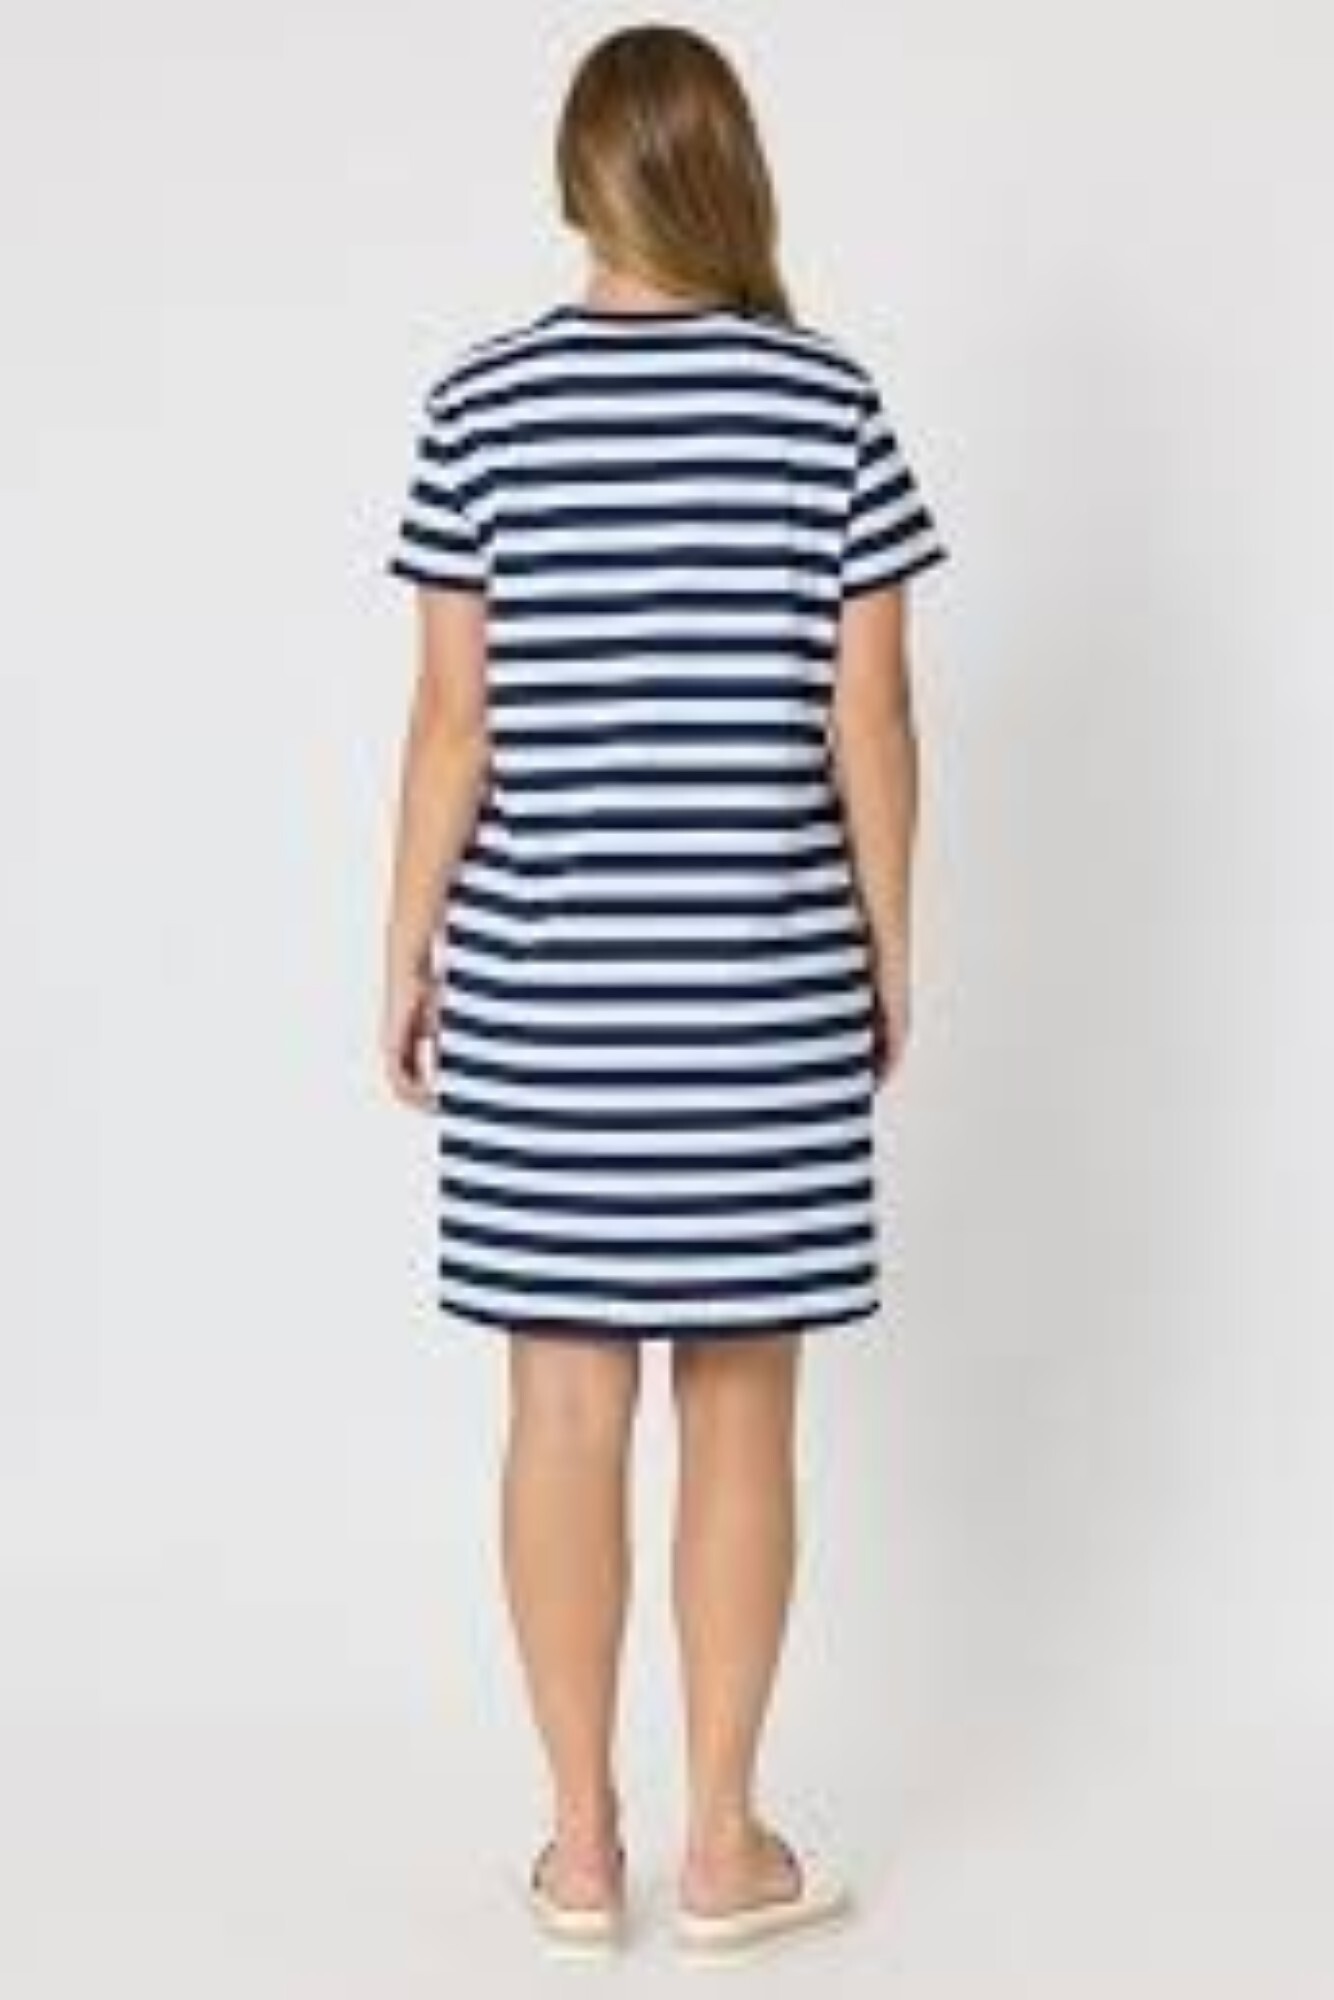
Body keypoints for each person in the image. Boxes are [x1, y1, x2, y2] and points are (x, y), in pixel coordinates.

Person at [378, 21, 950, 1962]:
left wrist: (404, 950)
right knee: (739, 1408)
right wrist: (888, 943)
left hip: (546, 1001)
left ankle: (575, 1846)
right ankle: (718, 1844)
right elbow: (873, 711)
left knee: (557, 1406)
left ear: (577, 177)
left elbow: (450, 720)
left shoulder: (479, 407)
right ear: (729, 170)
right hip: (756, 993)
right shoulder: (826, 403)